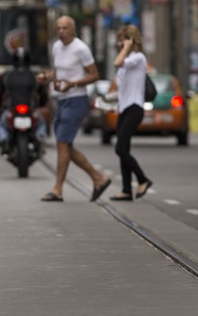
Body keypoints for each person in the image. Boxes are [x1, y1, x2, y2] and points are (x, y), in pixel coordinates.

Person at [38, 16, 112, 202]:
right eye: (59, 28)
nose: (61, 31)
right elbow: (59, 71)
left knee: (62, 143)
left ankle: (57, 189)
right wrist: (48, 77)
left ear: (73, 30)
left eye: (65, 28)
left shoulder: (81, 48)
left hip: (77, 100)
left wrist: (74, 84)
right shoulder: (56, 47)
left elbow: (94, 75)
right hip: (61, 101)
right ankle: (98, 178)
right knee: (65, 146)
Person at [107, 25, 153, 201]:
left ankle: (143, 179)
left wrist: (126, 47)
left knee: (120, 148)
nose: (118, 45)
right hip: (124, 107)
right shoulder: (127, 61)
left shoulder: (138, 58)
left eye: (121, 41)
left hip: (135, 107)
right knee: (123, 148)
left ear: (130, 41)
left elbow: (117, 62)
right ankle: (126, 190)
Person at [0, 47, 48, 154]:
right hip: (30, 110)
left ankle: (4, 141)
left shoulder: (7, 76)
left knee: (1, 125)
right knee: (41, 124)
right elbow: (43, 93)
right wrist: (41, 105)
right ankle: (40, 137)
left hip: (12, 110)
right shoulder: (34, 76)